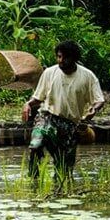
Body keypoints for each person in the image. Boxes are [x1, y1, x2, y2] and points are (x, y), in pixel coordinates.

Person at [22, 40, 105, 184]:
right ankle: (33, 181)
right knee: (35, 146)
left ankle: (59, 190)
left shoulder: (88, 76)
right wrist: (28, 104)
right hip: (47, 117)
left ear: (74, 59)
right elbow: (38, 97)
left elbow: (99, 100)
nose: (61, 61)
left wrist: (94, 109)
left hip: (70, 125)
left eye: (65, 58)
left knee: (63, 173)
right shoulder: (49, 72)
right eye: (59, 57)